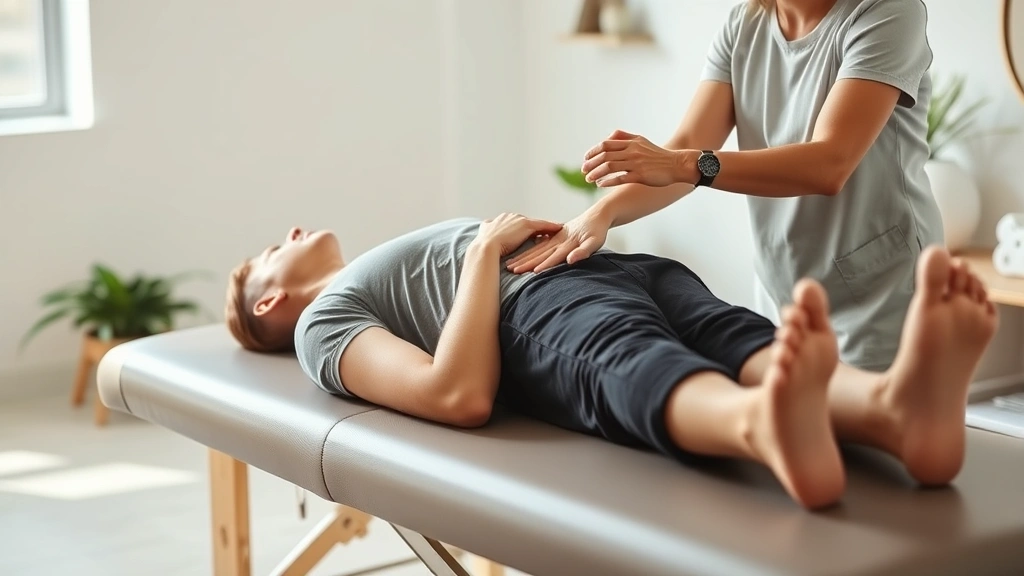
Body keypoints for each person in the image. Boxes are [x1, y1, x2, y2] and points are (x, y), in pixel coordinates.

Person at [224, 214, 995, 510]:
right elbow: (454, 393)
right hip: (528, 305)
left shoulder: (355, 284)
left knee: (738, 336)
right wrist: (487, 253)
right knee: (628, 360)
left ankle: (893, 413)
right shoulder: (319, 325)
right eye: (269, 249)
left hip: (608, 267)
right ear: (269, 304)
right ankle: (757, 428)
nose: (287, 229)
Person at [508, 0, 942, 374]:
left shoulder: (886, 12)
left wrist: (681, 163)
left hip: (884, 300)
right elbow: (687, 148)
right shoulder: (744, 24)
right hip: (784, 292)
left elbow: (829, 162)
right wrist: (599, 215)